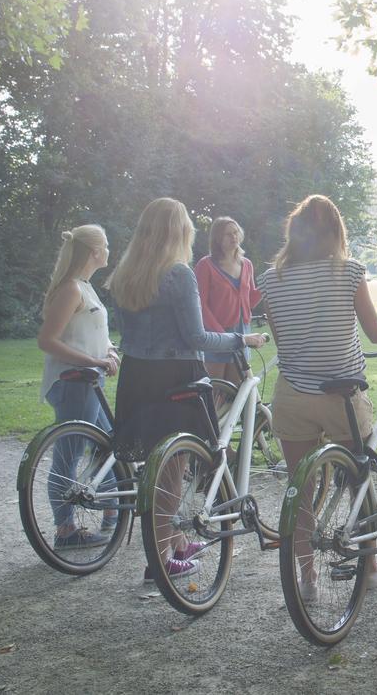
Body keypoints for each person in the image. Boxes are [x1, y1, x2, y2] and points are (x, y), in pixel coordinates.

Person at [258, 194, 377, 600]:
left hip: (292, 392)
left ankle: (307, 580)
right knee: (359, 479)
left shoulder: (271, 279)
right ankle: (370, 565)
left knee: (299, 488)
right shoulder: (349, 272)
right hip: (340, 391)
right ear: (337, 232)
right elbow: (376, 334)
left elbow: (285, 339)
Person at [108, 198, 269, 580]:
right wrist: (240, 341)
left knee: (155, 463)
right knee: (173, 469)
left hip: (136, 374)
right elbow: (196, 336)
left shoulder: (125, 273)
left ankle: (176, 540)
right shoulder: (179, 274)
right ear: (180, 231)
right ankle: (161, 560)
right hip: (175, 374)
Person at [37, 224, 120, 549]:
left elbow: (95, 334)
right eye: (107, 246)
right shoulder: (71, 289)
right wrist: (94, 361)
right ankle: (66, 530)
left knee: (110, 447)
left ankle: (113, 511)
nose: (110, 252)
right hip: (73, 383)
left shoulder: (86, 287)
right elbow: (47, 341)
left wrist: (109, 351)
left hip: (89, 382)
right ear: (96, 252)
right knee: (68, 456)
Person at [194, 217, 261, 388]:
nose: (234, 237)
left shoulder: (247, 265)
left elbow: (250, 301)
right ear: (218, 238)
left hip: (242, 334)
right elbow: (199, 305)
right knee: (216, 391)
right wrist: (221, 335)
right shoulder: (206, 265)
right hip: (216, 335)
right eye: (228, 234)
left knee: (237, 390)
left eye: (236, 232)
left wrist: (267, 286)